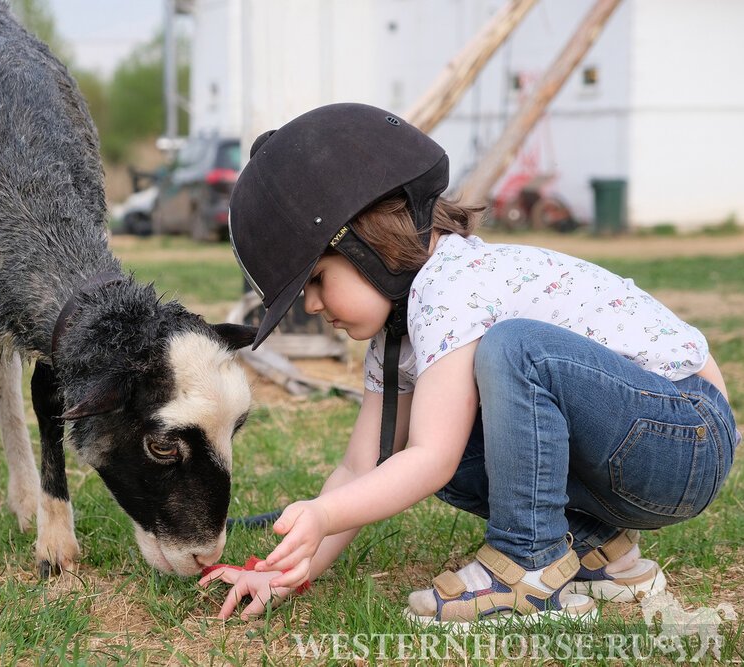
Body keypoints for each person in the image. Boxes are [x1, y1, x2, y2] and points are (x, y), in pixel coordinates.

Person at [200, 102, 739, 625]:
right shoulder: (402, 336)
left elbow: (430, 457)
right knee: (437, 447)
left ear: (370, 243)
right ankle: (599, 552)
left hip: (683, 437)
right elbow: (362, 467)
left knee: (513, 351)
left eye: (317, 279)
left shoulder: (452, 286)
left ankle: (526, 565)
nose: (313, 306)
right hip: (643, 450)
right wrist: (286, 571)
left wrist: (323, 514)